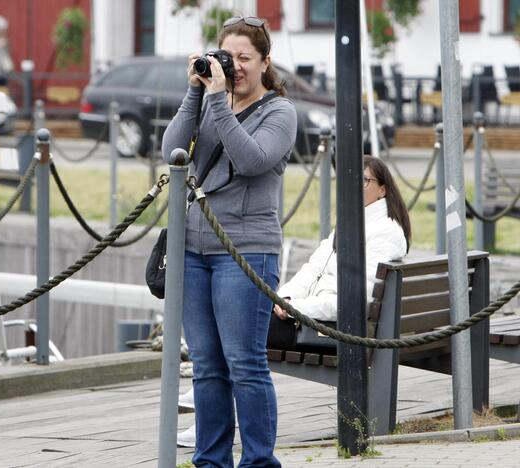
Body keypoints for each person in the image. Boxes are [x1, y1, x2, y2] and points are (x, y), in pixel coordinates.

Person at [161, 15, 297, 468]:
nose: (235, 67)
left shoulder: (279, 111)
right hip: (194, 250)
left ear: (265, 62)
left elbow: (251, 160)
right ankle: (210, 461)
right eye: (228, 57)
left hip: (245, 250)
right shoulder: (208, 101)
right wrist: (196, 90)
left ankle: (259, 462)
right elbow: (173, 150)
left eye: (245, 58)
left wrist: (219, 100)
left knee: (245, 363)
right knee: (206, 366)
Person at [273, 155, 411, 322]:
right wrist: (286, 297)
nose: (354, 186)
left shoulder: (386, 232)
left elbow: (355, 300)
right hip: (318, 313)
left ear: (382, 190)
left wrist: (297, 307)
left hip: (340, 327)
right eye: (351, 179)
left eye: (364, 180)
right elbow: (314, 268)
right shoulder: (351, 223)